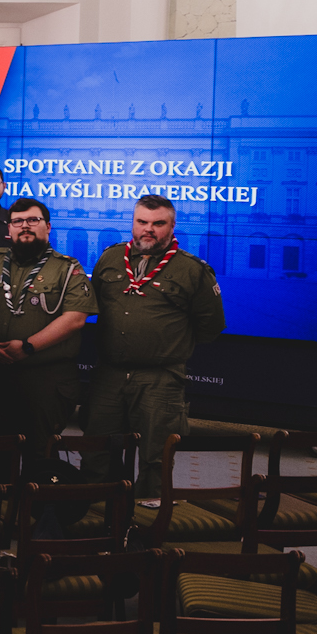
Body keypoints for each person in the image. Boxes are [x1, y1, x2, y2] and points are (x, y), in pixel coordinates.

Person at [87, 195, 225, 495]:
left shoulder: (192, 270)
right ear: (133, 223)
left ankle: (146, 531)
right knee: (96, 453)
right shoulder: (110, 258)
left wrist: (162, 344)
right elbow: (92, 305)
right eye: (142, 222)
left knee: (155, 460)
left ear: (173, 226)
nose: (148, 229)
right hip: (108, 377)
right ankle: (96, 521)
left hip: (160, 380)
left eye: (158, 223)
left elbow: (210, 327)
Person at [0, 198, 95, 467]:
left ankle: (33, 508)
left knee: (40, 456)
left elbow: (75, 318)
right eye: (18, 221)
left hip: (45, 380)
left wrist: (27, 346)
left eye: (33, 220)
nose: (25, 226)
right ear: (9, 229)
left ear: (48, 227)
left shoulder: (67, 268)